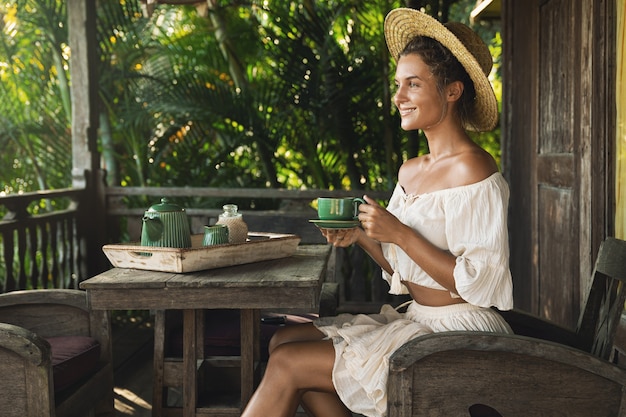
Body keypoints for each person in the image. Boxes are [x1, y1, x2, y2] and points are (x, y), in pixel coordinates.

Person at [240, 8, 513, 417]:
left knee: (286, 362)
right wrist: (365, 237)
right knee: (283, 340)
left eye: (413, 84)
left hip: (456, 333)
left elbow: (476, 285)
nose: (399, 97)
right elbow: (405, 271)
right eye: (398, 85)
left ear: (452, 91)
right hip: (417, 319)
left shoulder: (474, 169)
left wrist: (400, 232)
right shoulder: (411, 170)